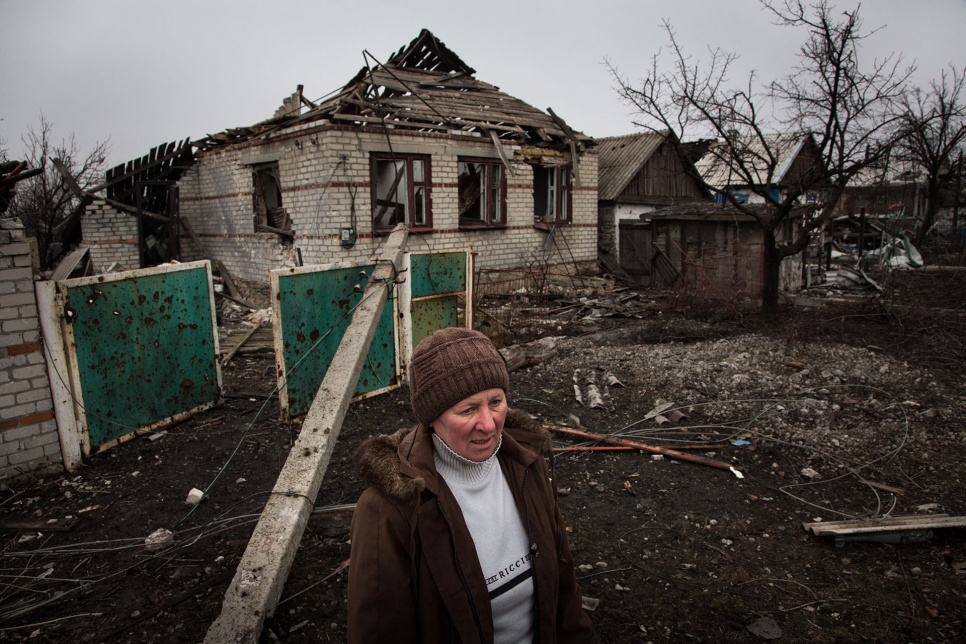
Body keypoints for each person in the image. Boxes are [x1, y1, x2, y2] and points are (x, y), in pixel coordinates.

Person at [347, 327, 598, 643]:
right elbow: (380, 632)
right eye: (467, 410)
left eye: (495, 401)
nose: (489, 424)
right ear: (432, 417)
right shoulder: (390, 510)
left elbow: (563, 585)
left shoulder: (526, 464)